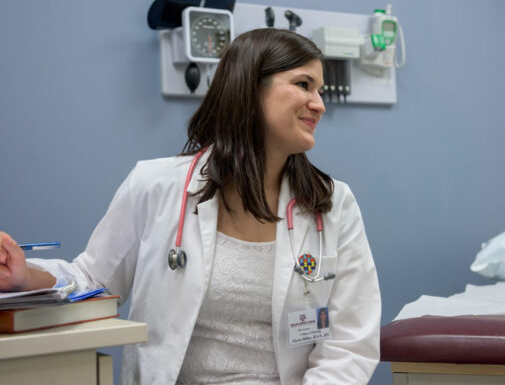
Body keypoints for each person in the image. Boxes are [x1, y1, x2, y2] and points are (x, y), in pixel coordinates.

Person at [0, 28, 381, 384]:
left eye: (320, 89)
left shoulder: (331, 204)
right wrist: (26, 278)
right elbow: (93, 280)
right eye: (303, 85)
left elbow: (350, 342)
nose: (319, 105)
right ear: (249, 89)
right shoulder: (156, 186)